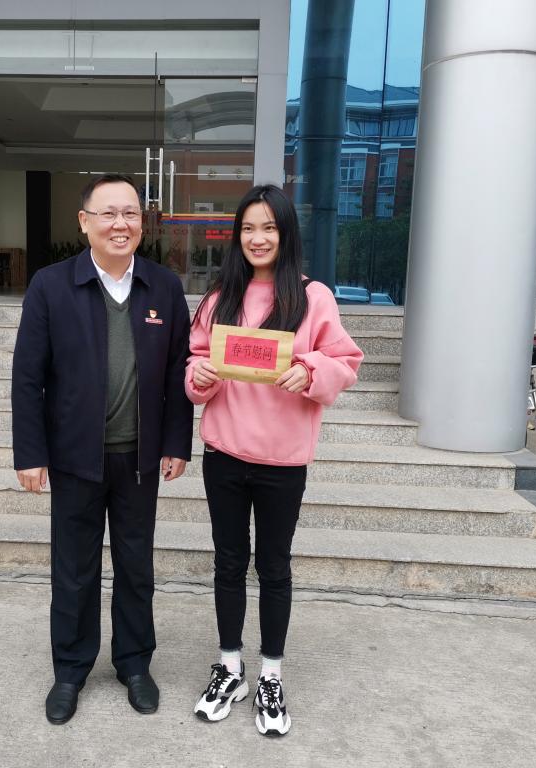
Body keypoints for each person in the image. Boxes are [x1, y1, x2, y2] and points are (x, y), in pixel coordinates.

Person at [11, 173, 194, 725]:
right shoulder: (51, 285)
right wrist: (30, 453)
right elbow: (28, 377)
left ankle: (134, 664)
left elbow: (178, 372)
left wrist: (176, 442)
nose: (121, 224)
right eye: (108, 213)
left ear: (142, 222)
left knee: (136, 566)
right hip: (74, 458)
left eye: (131, 213)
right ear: (84, 221)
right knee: (74, 569)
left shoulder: (164, 287)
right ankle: (70, 670)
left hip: (139, 458)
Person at [185, 184, 363, 736]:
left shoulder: (313, 298)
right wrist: (199, 376)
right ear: (236, 236)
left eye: (269, 227)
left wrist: (310, 370)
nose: (258, 238)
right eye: (248, 228)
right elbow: (194, 364)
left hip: (283, 462)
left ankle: (270, 674)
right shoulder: (220, 298)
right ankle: (230, 666)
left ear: (286, 234)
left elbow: (345, 361)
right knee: (228, 562)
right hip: (224, 455)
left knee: (274, 566)